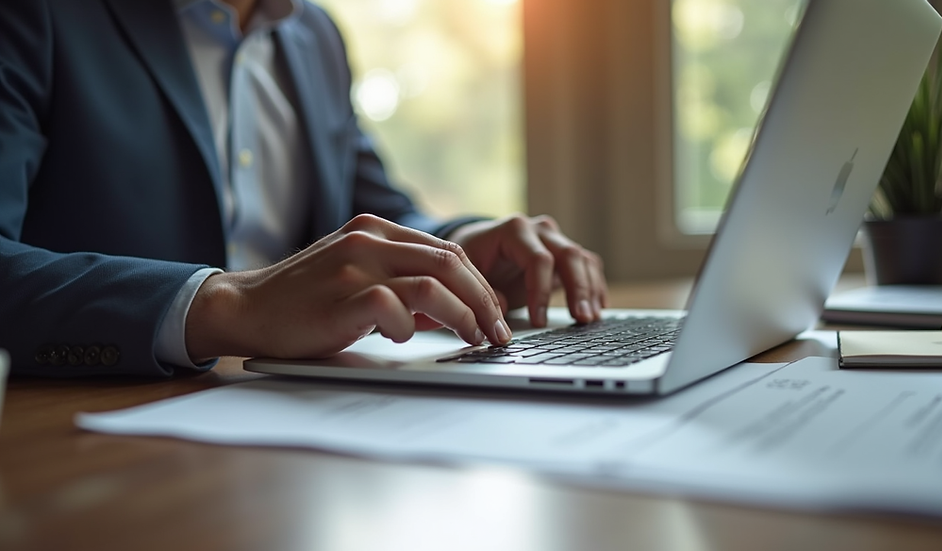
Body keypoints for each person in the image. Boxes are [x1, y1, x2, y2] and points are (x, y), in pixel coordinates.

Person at [0, 0, 607, 377]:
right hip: (97, 429)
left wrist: (460, 246)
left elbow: (374, 209)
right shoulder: (36, 15)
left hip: (302, 410)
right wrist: (229, 307)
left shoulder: (314, 35)